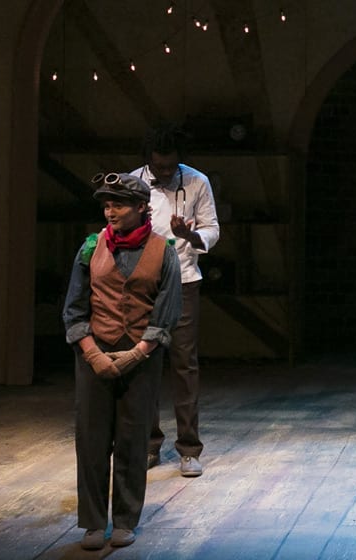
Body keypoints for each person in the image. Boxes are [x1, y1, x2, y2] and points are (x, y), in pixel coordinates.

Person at [61, 172, 182, 550]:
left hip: (141, 358)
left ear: (141, 208)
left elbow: (166, 312)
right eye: (107, 204)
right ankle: (94, 523)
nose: (110, 211)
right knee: (92, 440)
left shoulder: (164, 250)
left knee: (132, 440)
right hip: (93, 355)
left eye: (119, 204)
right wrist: (94, 355)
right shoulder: (90, 247)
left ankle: (126, 520)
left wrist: (137, 353)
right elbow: (74, 309)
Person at [130, 124, 220, 477]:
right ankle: (149, 445)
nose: (165, 173)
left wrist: (191, 234)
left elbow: (213, 229)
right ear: (148, 161)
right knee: (143, 363)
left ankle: (189, 449)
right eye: (159, 168)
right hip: (142, 283)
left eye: (170, 167)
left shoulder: (197, 182)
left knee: (184, 365)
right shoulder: (133, 181)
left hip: (183, 281)